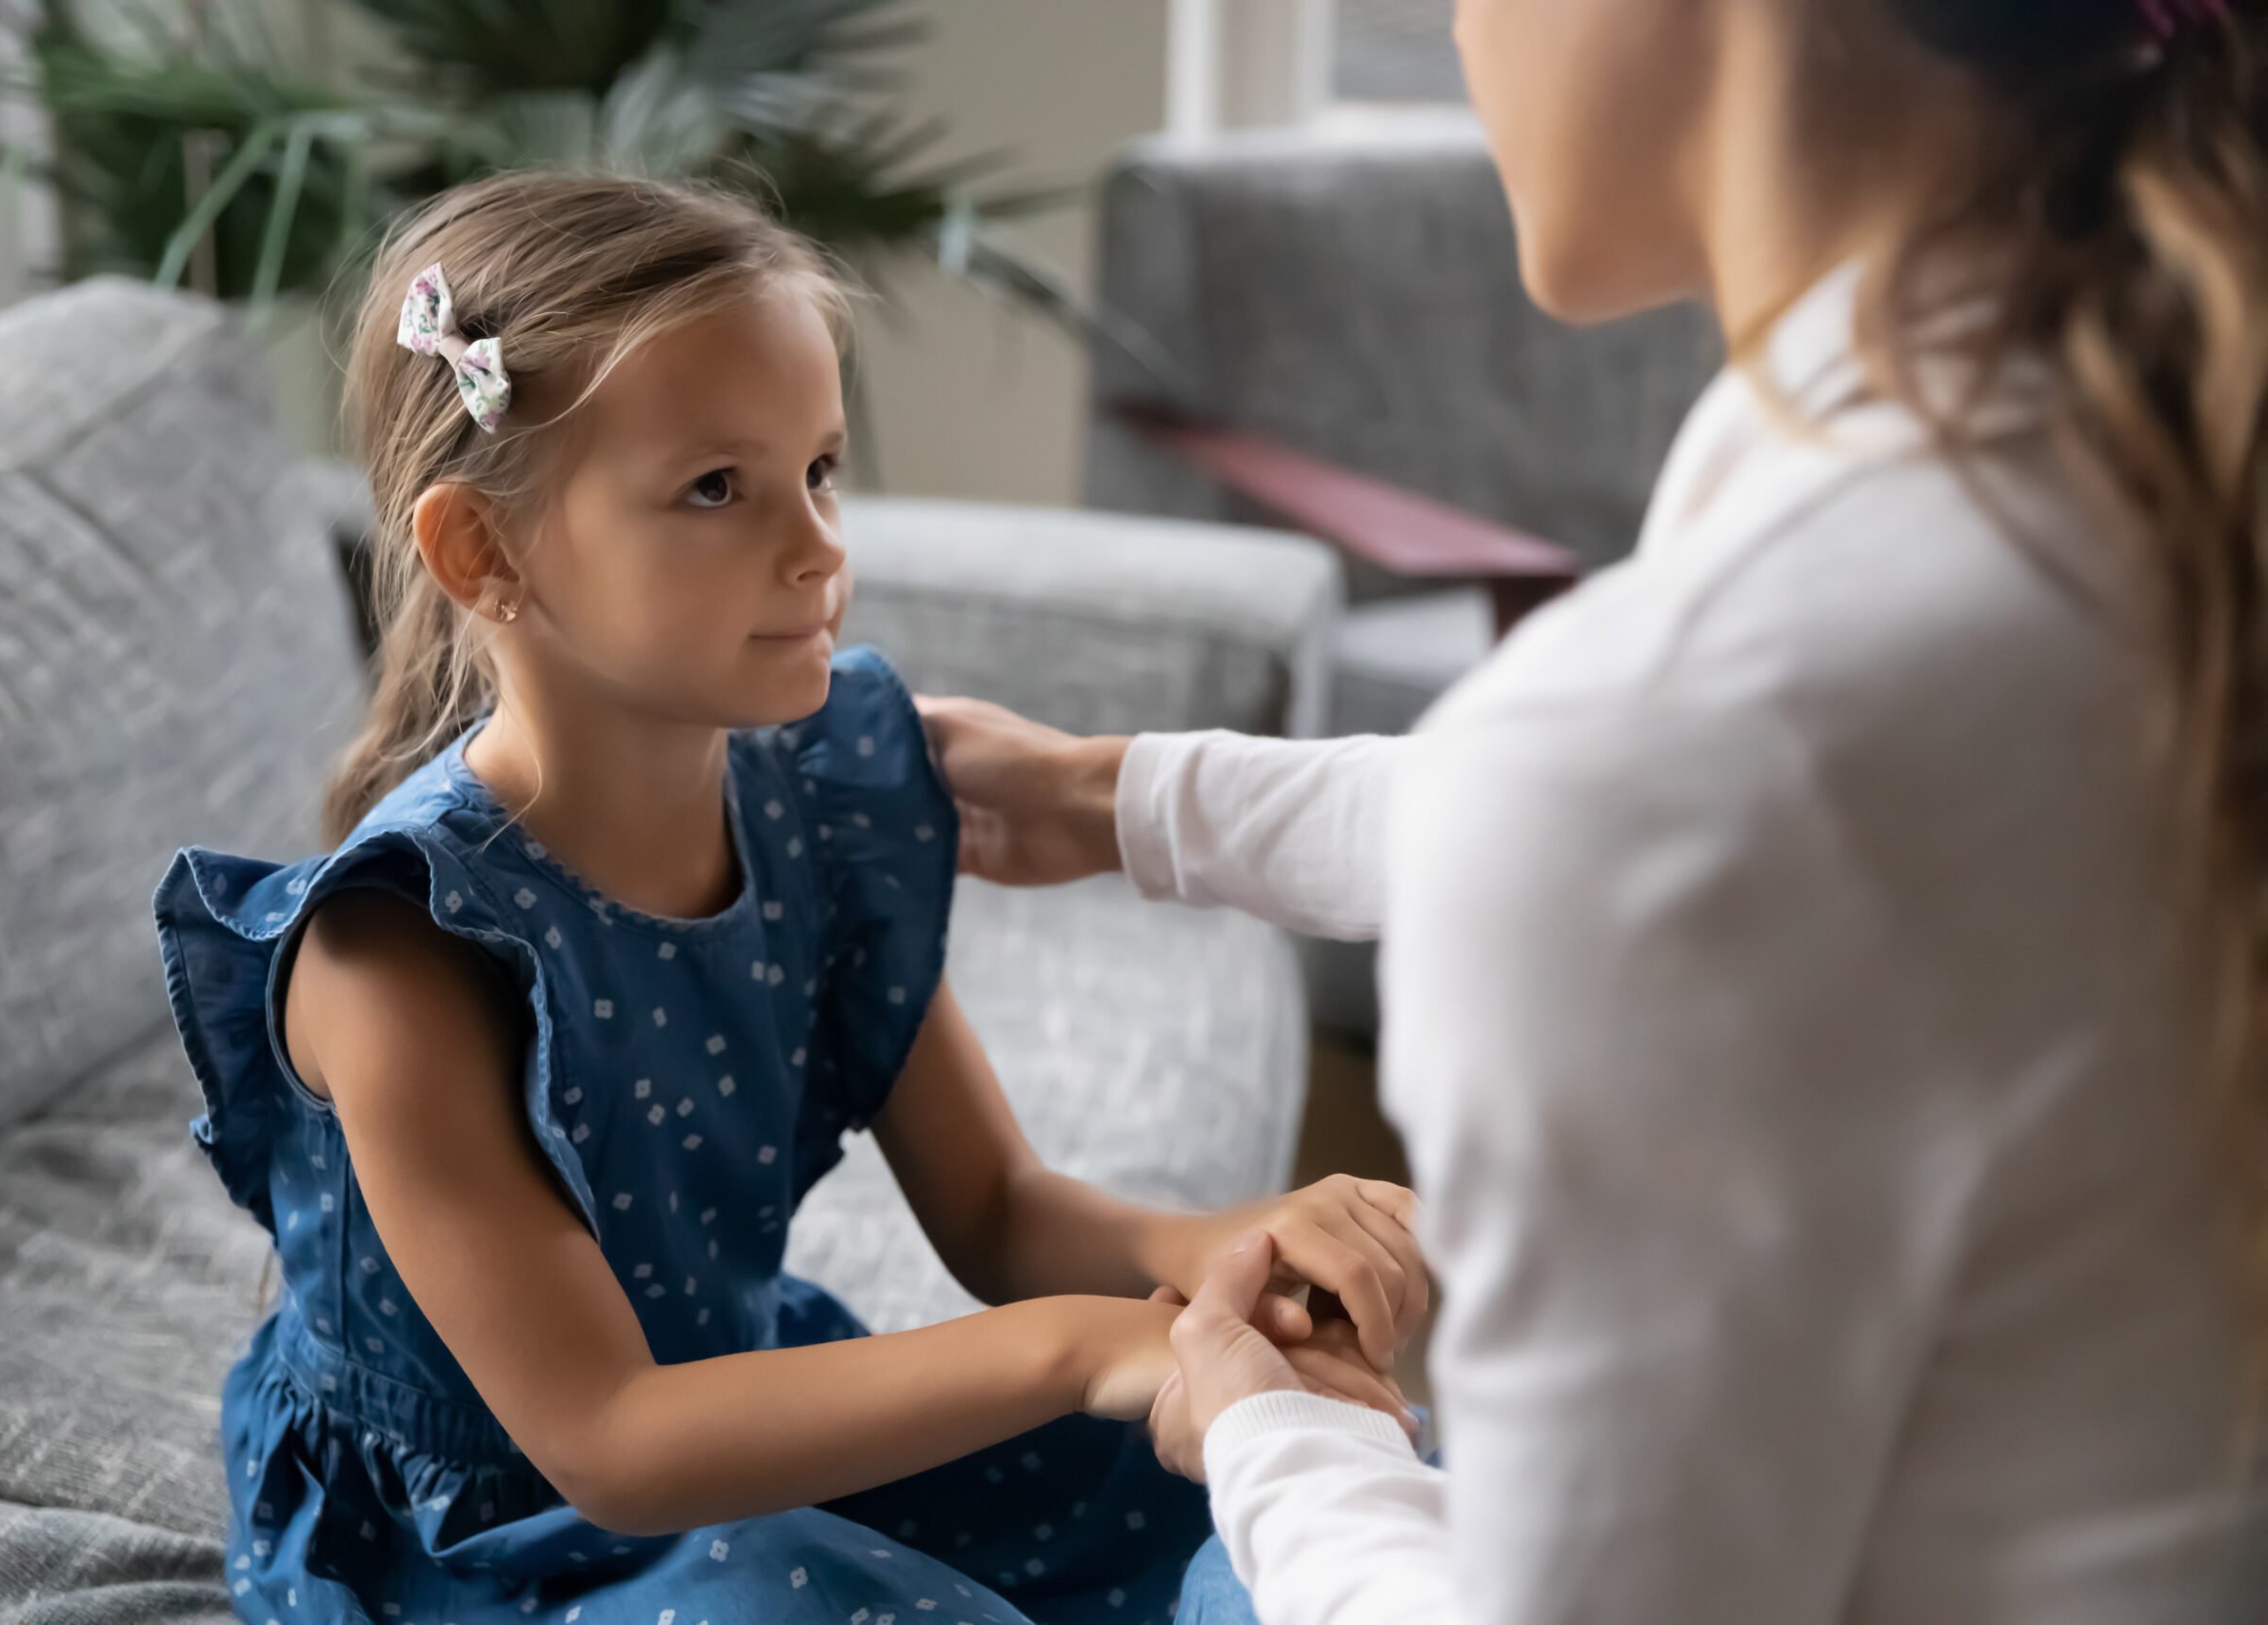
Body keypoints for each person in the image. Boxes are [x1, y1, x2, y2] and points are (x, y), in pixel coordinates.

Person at [916, 0, 2268, 1619]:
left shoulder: (1675, 751)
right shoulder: (2107, 468)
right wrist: (1115, 798)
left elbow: (1651, 811)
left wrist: (1290, 1445)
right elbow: (1721, 823)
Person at [152, 170, 1426, 1625]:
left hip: (737, 1413)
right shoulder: (397, 956)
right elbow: (612, 1442)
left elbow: (1001, 1208)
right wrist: (1092, 1350)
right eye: (717, 488)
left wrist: (1227, 1260)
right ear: (483, 553)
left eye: (819, 469)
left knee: (1297, 1474)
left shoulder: (820, 797)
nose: (818, 548)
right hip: (498, 1533)